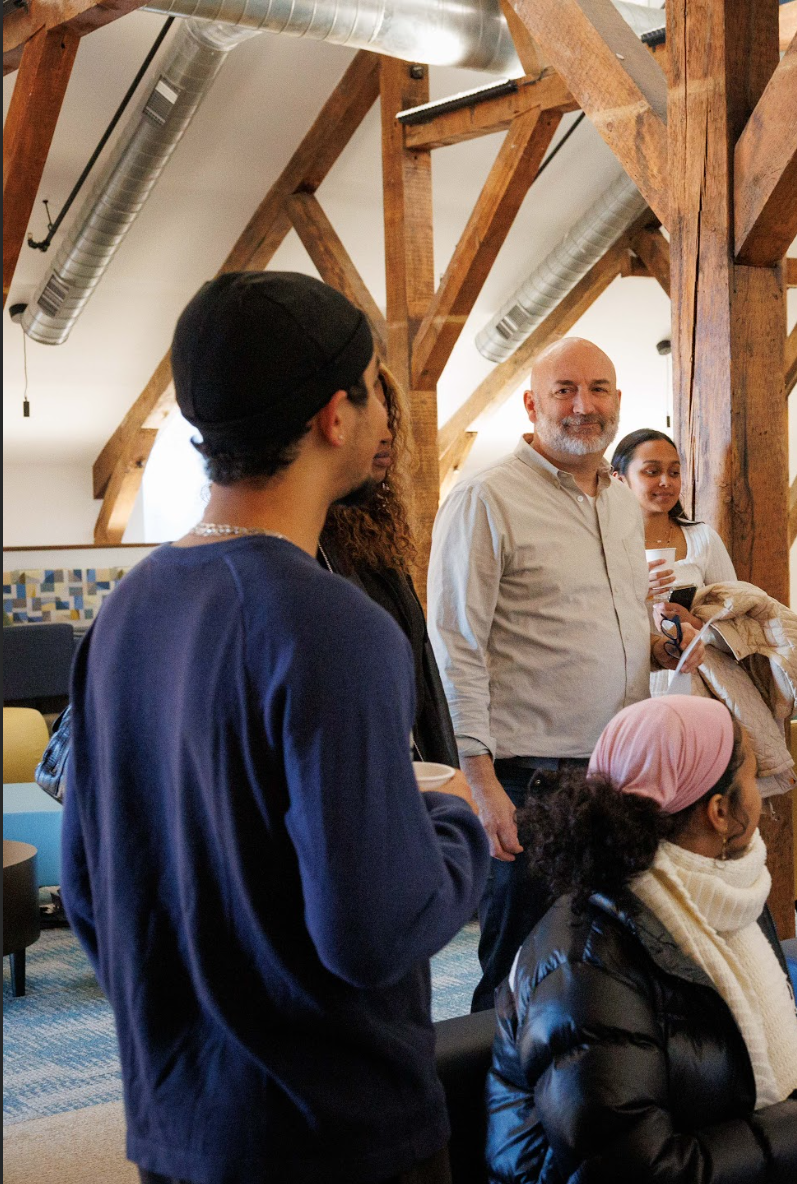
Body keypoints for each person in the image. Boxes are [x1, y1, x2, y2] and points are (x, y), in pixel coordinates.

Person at [60, 271, 490, 1184]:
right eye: (376, 388)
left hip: (178, 1119)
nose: (386, 415)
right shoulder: (330, 625)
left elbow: (95, 895)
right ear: (336, 415)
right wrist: (457, 824)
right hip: (333, 1133)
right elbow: (371, 932)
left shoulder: (124, 615)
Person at [486, 696, 797, 1184]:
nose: (762, 795)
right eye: (753, 778)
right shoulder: (585, 964)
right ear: (718, 812)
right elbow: (634, 1173)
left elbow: (737, 1027)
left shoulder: (707, 898)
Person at [430, 336, 702, 1012]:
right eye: (565, 391)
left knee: (607, 960)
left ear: (617, 400)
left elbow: (599, 614)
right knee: (521, 965)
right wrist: (482, 781)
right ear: (531, 404)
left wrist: (656, 645)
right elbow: (456, 645)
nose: (585, 406)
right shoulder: (485, 498)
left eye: (599, 390)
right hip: (533, 778)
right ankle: (498, 1107)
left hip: (618, 770)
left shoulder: (616, 499)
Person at [319, 361, 456, 765]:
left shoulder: (378, 541)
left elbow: (421, 670)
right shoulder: (309, 546)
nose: (386, 434)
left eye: (388, 412)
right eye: (372, 411)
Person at [612, 427, 738, 591]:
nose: (666, 481)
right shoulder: (600, 540)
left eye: (674, 472)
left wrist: (694, 617)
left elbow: (735, 605)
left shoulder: (702, 538)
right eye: (652, 472)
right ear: (620, 481)